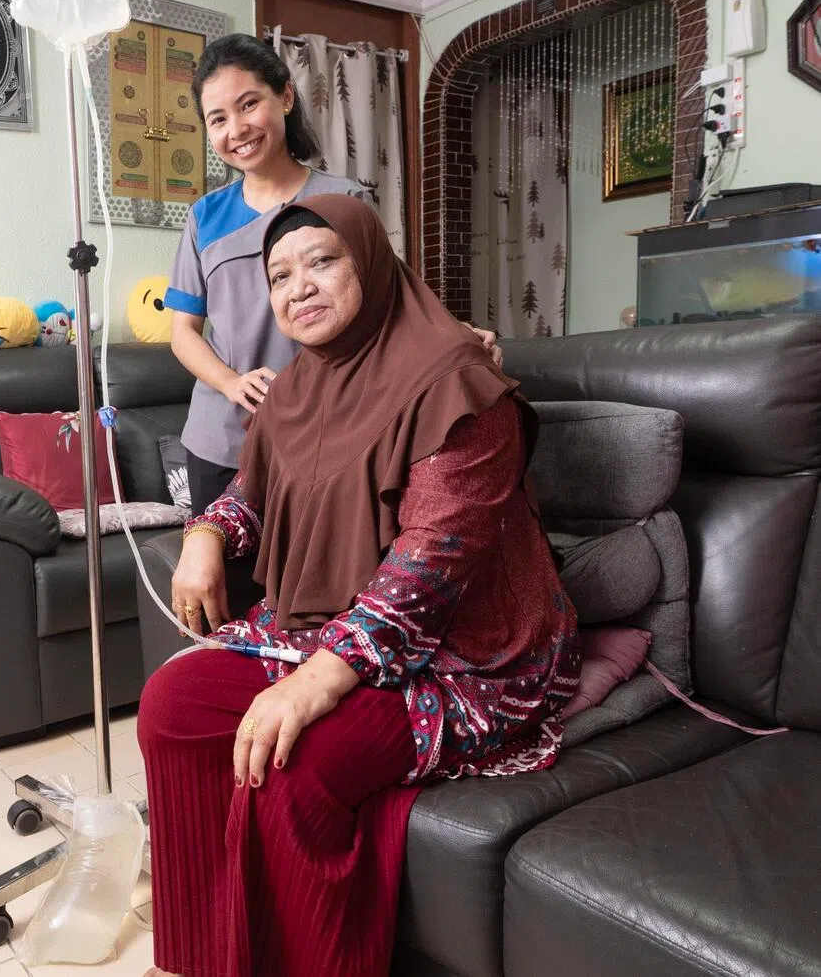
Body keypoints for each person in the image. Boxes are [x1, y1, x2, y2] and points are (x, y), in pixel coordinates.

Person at [139, 194, 581, 977]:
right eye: (279, 274)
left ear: (371, 262)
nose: (298, 286)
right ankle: (206, 959)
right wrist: (205, 535)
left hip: (464, 652)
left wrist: (310, 687)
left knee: (292, 760)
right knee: (171, 709)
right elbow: (257, 491)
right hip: (330, 627)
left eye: (322, 260)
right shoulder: (301, 387)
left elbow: (432, 565)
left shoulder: (457, 382)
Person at [163, 33, 499, 516]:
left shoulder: (342, 201)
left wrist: (460, 339)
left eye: (248, 104)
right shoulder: (204, 218)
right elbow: (183, 333)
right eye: (218, 119)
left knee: (313, 585)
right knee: (225, 582)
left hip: (326, 435)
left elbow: (392, 301)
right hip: (220, 440)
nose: (236, 129)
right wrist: (233, 384)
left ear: (285, 96)